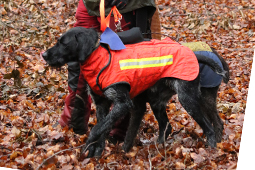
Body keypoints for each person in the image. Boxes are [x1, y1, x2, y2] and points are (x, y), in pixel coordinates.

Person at [59, 0, 160, 142]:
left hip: (127, 5)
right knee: (78, 54)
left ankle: (119, 131)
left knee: (125, 58)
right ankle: (72, 125)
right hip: (90, 3)